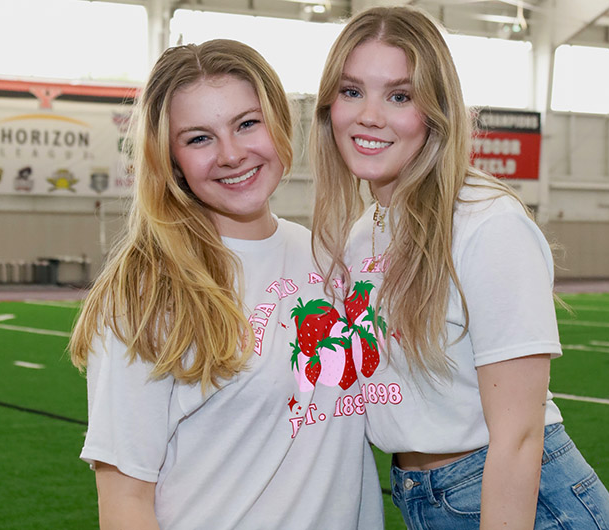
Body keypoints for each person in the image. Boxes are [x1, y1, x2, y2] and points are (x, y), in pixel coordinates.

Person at [309, 6, 609, 530]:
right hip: (420, 495)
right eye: (351, 91)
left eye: (399, 96)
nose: (369, 115)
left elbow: (519, 438)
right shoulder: (364, 230)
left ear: (435, 111)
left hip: (524, 501)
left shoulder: (487, 224)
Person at [69, 39, 383, 530]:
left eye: (247, 123)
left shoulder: (329, 258)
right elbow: (125, 500)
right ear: (169, 158)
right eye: (198, 138)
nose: (232, 154)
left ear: (279, 121)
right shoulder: (148, 292)